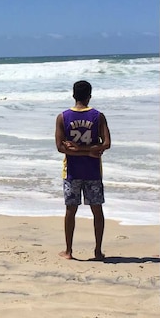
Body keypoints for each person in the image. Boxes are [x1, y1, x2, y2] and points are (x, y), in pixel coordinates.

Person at [55, 80, 111, 261]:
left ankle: (69, 251)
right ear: (90, 96)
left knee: (71, 210)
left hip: (72, 171)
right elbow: (107, 143)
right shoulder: (98, 116)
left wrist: (77, 149)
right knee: (97, 210)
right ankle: (98, 251)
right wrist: (90, 150)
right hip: (93, 170)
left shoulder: (63, 117)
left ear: (73, 95)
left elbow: (60, 147)